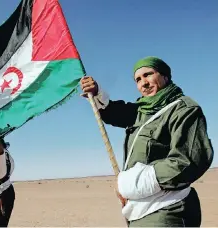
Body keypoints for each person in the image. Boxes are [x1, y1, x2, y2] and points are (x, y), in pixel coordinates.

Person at [80, 56, 214, 227]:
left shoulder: (183, 109)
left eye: (148, 74)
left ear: (165, 76)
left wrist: (131, 183)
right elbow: (114, 112)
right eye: (138, 79)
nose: (143, 83)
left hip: (167, 209)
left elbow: (189, 160)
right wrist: (97, 91)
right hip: (138, 211)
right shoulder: (142, 110)